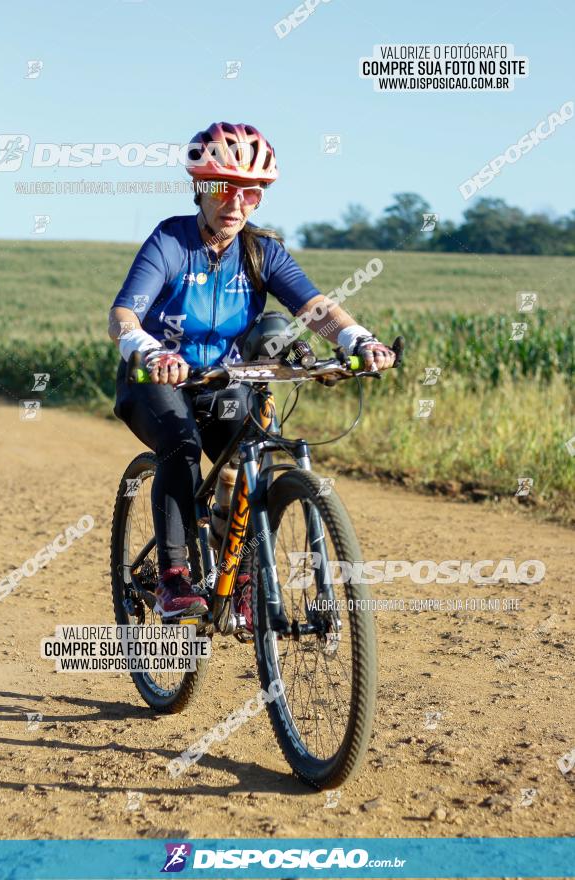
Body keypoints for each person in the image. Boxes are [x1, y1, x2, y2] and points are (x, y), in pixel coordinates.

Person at [108, 121, 395, 622]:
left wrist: (358, 339)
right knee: (181, 446)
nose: (237, 204)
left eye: (253, 193)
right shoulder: (171, 241)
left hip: (225, 382)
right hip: (155, 379)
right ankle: (174, 578)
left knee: (256, 451)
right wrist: (151, 353)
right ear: (201, 187)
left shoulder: (261, 250)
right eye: (224, 188)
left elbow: (316, 309)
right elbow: (122, 316)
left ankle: (240, 576)